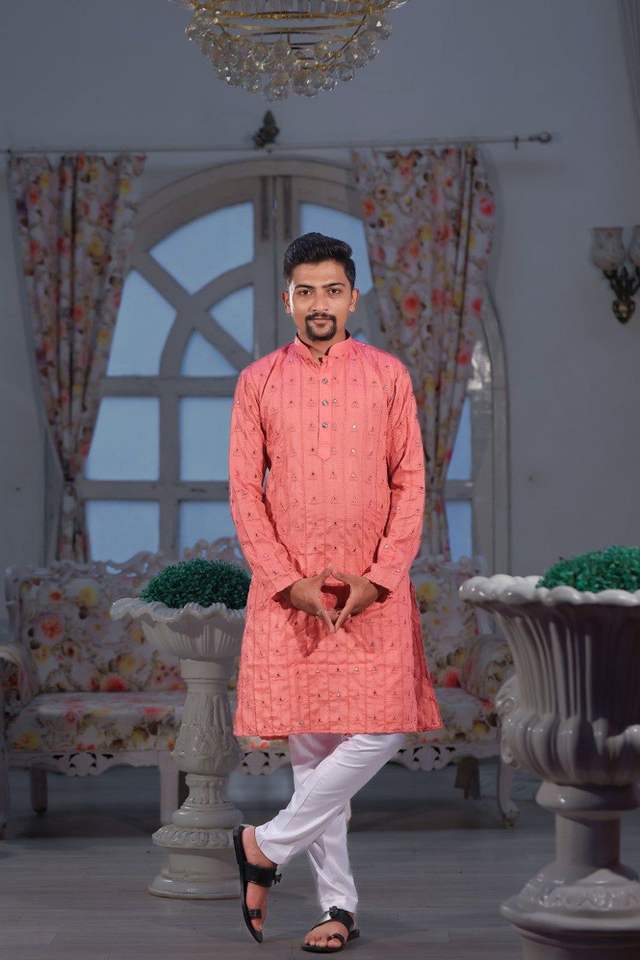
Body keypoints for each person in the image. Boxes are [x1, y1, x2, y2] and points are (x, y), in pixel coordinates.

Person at [228, 232, 442, 951]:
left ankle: (265, 845)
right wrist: (284, 582)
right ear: (287, 299)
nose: (319, 304)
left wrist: (379, 578)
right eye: (306, 291)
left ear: (353, 297)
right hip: (292, 595)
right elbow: (244, 493)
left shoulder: (388, 376)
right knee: (314, 758)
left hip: (371, 591)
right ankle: (337, 908)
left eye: (332, 290)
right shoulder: (258, 381)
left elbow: (410, 483)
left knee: (383, 725)